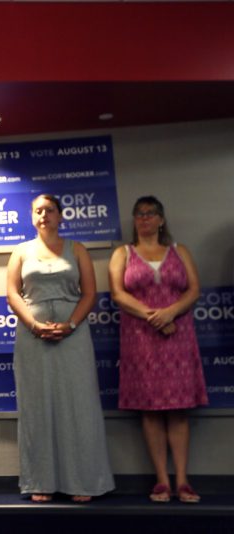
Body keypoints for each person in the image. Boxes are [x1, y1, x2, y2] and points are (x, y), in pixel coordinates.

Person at [6, 194, 114, 503]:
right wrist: (34, 325)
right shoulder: (20, 251)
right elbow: (12, 293)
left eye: (50, 210)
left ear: (60, 215)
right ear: (32, 217)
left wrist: (71, 324)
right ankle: (40, 481)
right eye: (38, 211)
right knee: (37, 406)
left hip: (73, 336)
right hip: (32, 337)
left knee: (80, 405)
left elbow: (89, 293)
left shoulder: (77, 249)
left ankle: (85, 482)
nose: (44, 215)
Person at [108, 196, 207, 503]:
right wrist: (156, 318)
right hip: (140, 340)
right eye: (139, 214)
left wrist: (170, 313)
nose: (145, 218)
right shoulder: (123, 253)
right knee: (150, 409)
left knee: (178, 409)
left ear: (161, 219)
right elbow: (118, 294)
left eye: (151, 213)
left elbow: (193, 290)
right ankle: (162, 481)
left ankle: (183, 481)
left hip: (178, 337)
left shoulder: (180, 251)